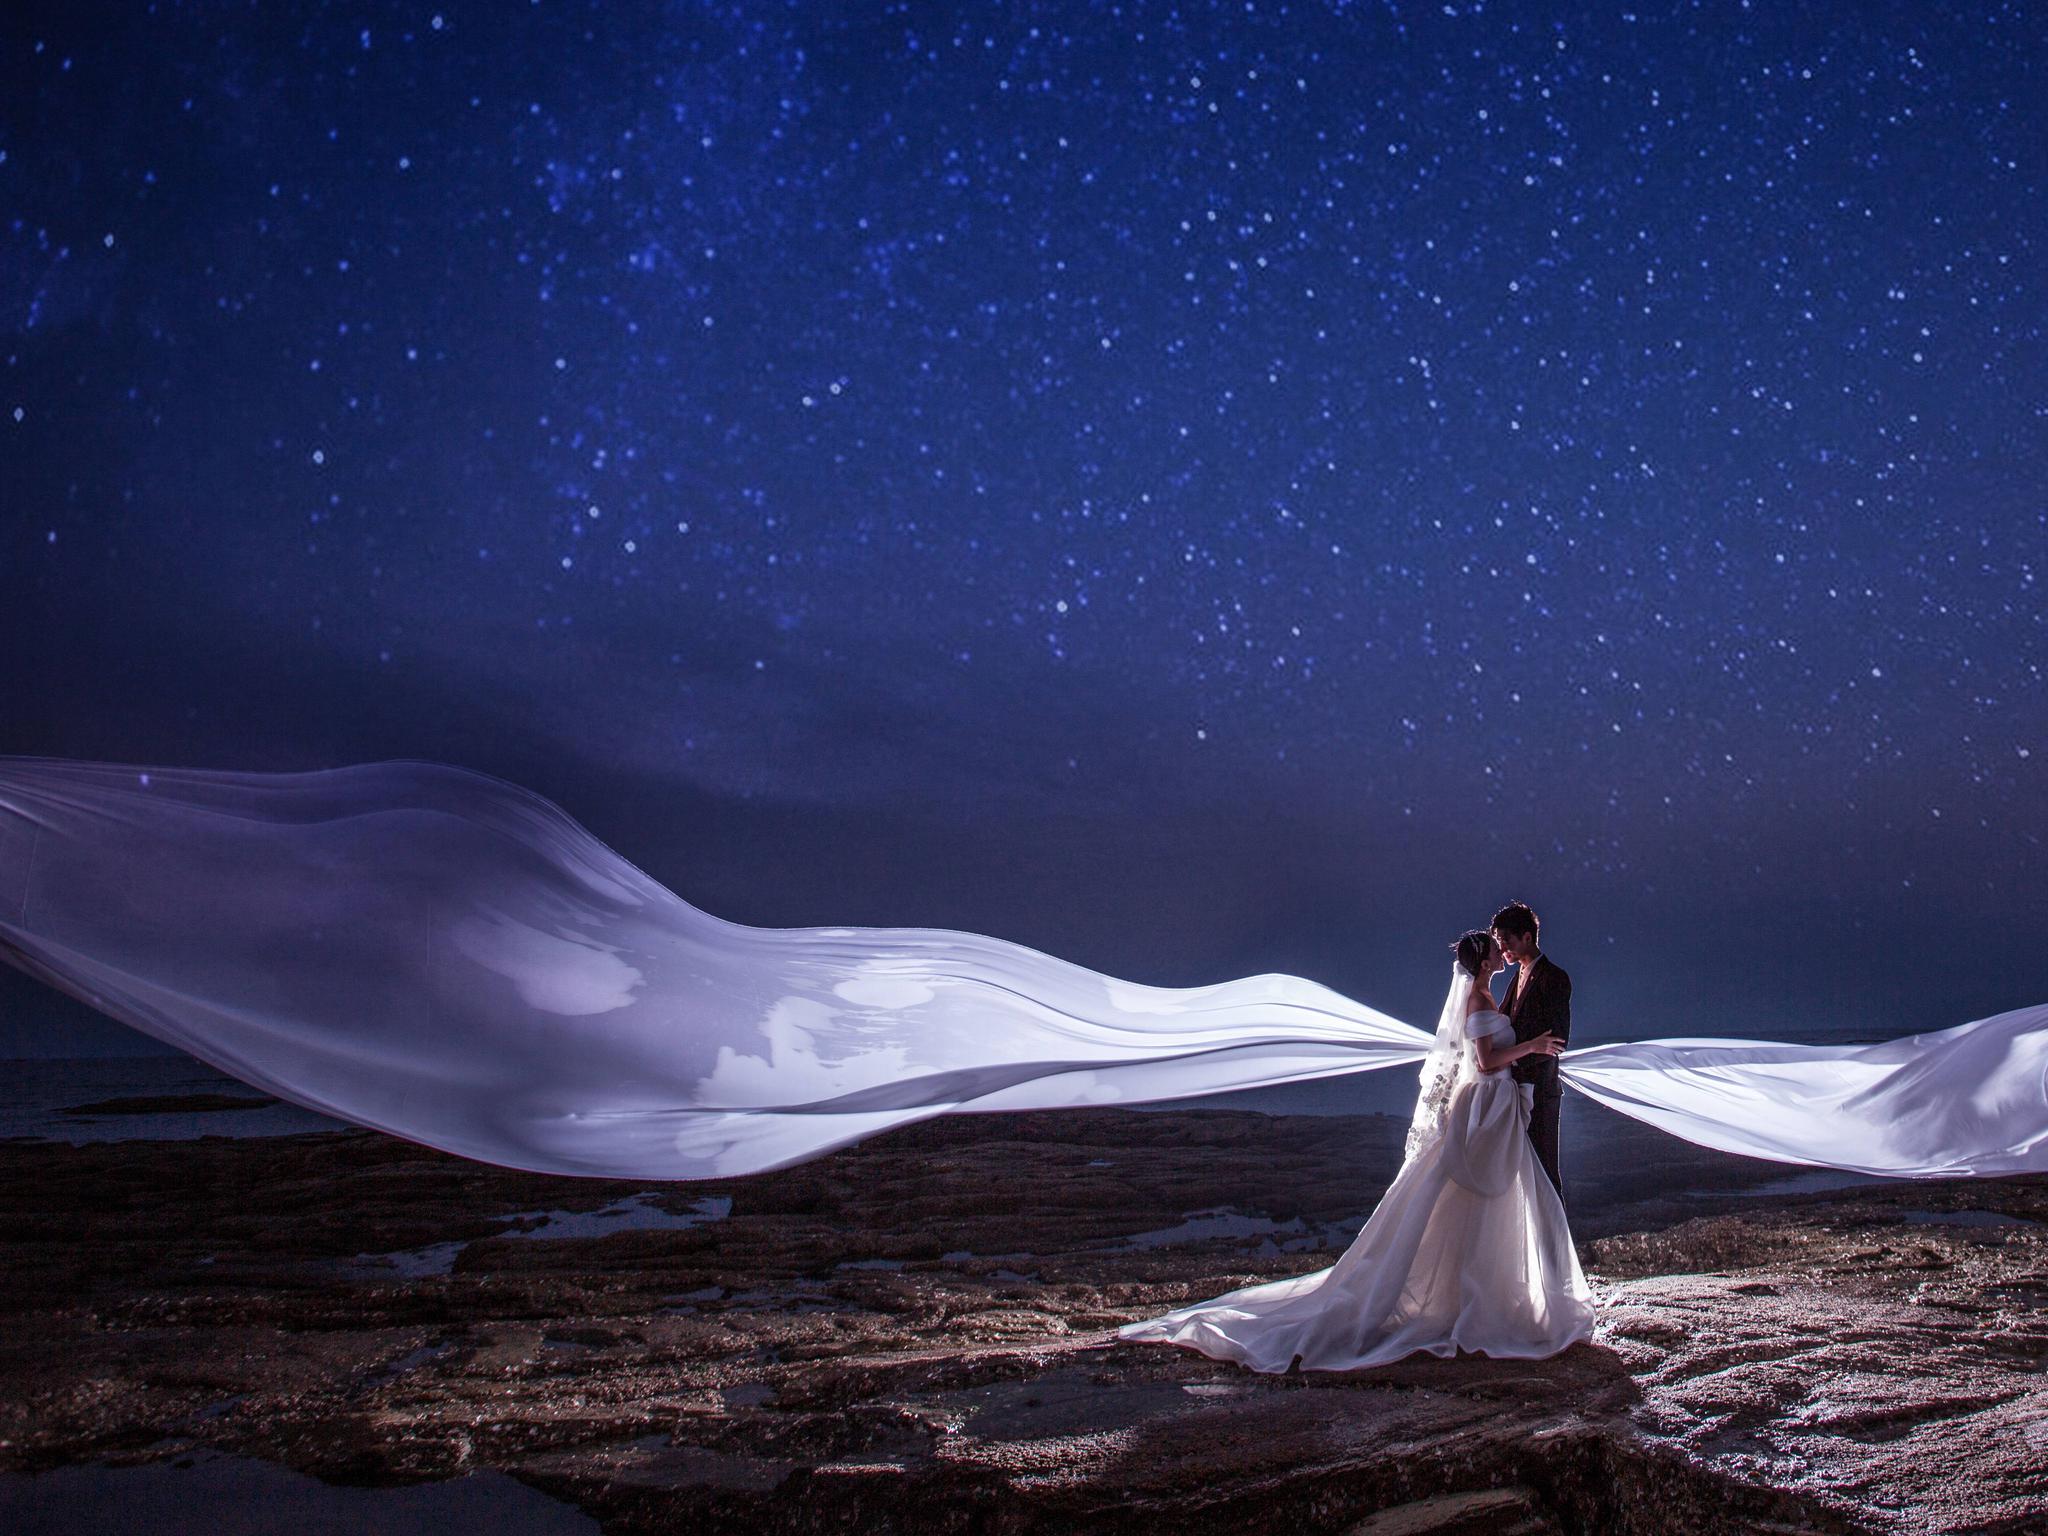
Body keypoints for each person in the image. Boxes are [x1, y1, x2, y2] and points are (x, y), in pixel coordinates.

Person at [1117, 929, 1595, 1373]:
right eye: (1494, 946)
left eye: (1500, 942)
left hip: (1496, 1109)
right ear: (1485, 961)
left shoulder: (1491, 993)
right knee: (1473, 1192)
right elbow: (1487, 1061)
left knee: (1493, 1195)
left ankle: (1481, 1294)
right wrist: (1532, 1045)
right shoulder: (1477, 997)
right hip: (1487, 1105)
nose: (1499, 949)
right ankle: (1471, 1300)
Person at [1493, 900, 1570, 1201]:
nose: (1502, 949)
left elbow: (1558, 1040)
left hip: (1540, 1091)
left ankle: (1557, 1233)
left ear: (1527, 937)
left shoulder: (1555, 977)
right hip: (1513, 1089)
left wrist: (1512, 1062)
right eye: (1499, 942)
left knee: (1545, 1173)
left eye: (1506, 940)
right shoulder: (1517, 976)